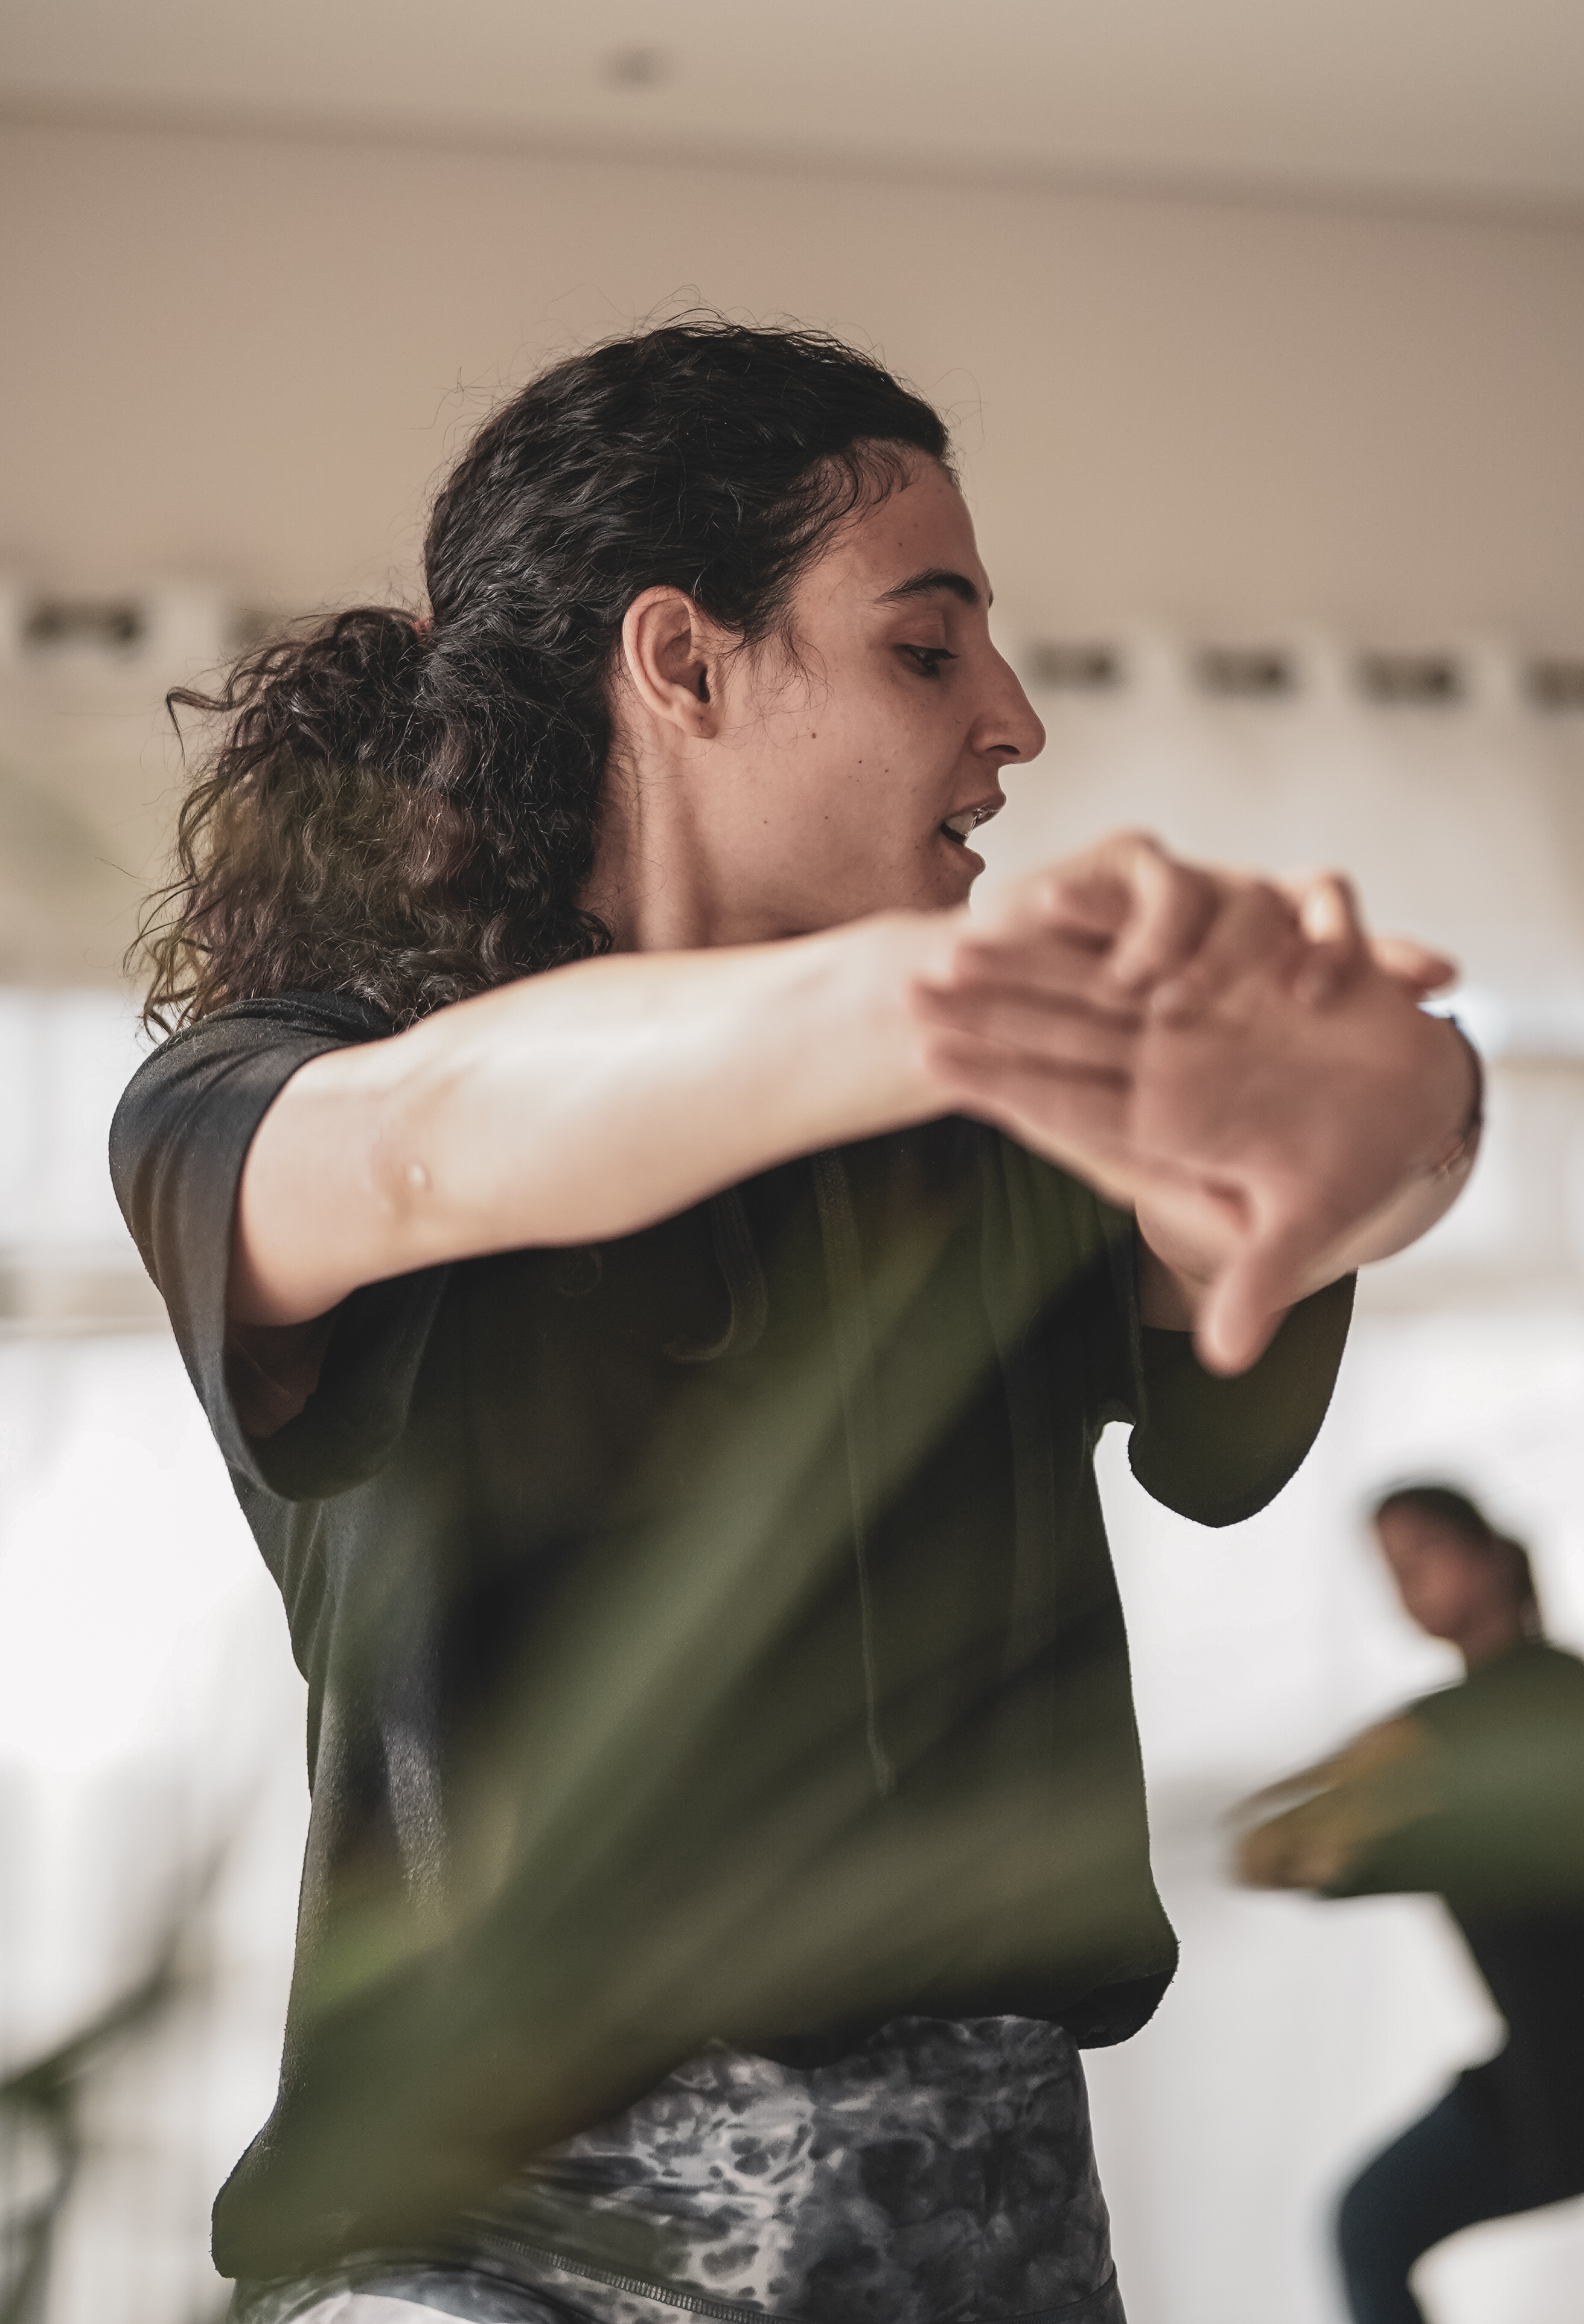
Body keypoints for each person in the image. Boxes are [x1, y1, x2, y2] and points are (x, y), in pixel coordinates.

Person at [110, 320, 1480, 2324]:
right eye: (925, 648)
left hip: (985, 2236)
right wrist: (967, 1004)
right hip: (485, 2260)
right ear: (682, 663)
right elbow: (424, 1148)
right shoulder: (264, 1091)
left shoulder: (993, 1131)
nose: (1014, 720)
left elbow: (1352, 1158)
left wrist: (1372, 1096)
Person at [1236, 1484, 1584, 2324]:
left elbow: (1281, 1844)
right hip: (1548, 2082)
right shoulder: (1454, 1731)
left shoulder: (1529, 1706)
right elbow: (1282, 1849)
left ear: (1490, 1555)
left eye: (1422, 1552)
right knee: (1371, 2221)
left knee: (1372, 2222)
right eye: (1390, 1567)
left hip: (1564, 2087)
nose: (1403, 1581)